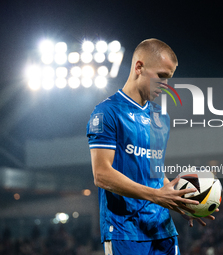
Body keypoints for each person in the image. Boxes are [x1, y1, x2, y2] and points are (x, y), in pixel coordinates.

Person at [87, 39, 216, 255]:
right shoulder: (106, 113)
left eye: (169, 79)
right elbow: (101, 174)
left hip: (161, 228)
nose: (165, 86)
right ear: (139, 67)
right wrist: (155, 196)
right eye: (161, 76)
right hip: (124, 230)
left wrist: (178, 201)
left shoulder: (161, 117)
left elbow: (155, 173)